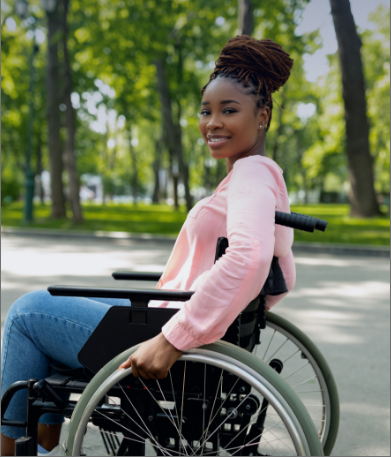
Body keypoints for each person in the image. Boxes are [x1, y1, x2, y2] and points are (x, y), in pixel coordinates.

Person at [1, 35, 296, 456]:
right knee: (53, 304)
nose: (212, 122)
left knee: (26, 313)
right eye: (206, 111)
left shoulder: (250, 177)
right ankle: (43, 441)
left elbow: (250, 259)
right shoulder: (260, 176)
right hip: (174, 313)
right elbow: (280, 276)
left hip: (169, 329)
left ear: (262, 115)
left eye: (229, 110)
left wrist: (174, 338)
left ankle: (11, 447)